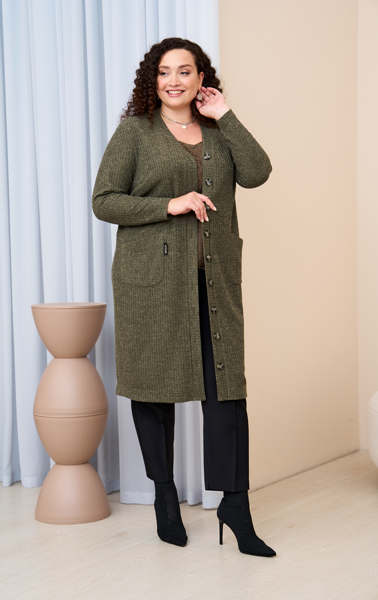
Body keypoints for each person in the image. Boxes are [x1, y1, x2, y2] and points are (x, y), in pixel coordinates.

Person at [92, 37, 275, 557]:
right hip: (151, 284)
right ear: (152, 80)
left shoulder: (218, 130)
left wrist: (227, 114)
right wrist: (167, 204)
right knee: (154, 390)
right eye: (164, 72)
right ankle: (165, 496)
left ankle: (235, 506)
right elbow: (104, 201)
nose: (174, 80)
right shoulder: (136, 132)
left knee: (227, 392)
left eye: (185, 71)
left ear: (201, 78)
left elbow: (258, 173)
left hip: (214, 283)